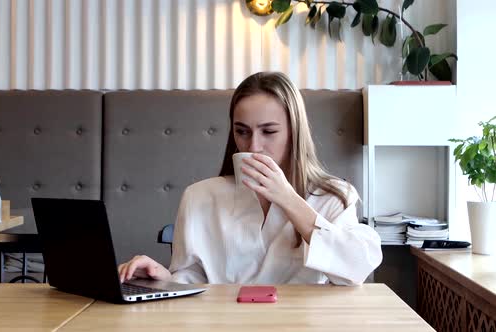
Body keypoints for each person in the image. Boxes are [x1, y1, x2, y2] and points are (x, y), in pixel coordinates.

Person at [118, 71, 382, 286]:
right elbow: (192, 280)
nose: (253, 146)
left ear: (294, 132)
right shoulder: (200, 196)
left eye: (269, 131)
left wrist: (289, 199)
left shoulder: (333, 196)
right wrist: (162, 279)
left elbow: (356, 269)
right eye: (242, 131)